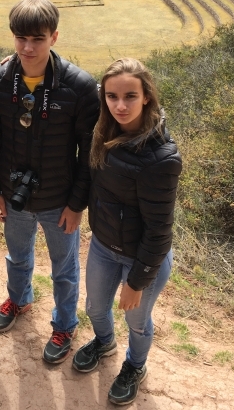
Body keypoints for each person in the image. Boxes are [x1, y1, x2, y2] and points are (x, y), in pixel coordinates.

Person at [0, 0, 100, 364]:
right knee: (17, 258)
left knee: (64, 269)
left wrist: (76, 204)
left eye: (38, 38)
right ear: (13, 37)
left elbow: (89, 154)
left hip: (58, 200)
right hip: (13, 196)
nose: (28, 47)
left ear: (55, 37)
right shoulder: (1, 80)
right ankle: (19, 300)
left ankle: (64, 323)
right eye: (21, 38)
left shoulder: (79, 86)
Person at [72, 58, 182, 406]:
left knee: (137, 319)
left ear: (147, 96)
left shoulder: (162, 158)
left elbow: (160, 231)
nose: (120, 105)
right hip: (104, 245)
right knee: (95, 308)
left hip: (143, 257)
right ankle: (104, 343)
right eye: (112, 96)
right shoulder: (102, 131)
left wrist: (136, 281)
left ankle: (135, 365)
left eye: (130, 96)